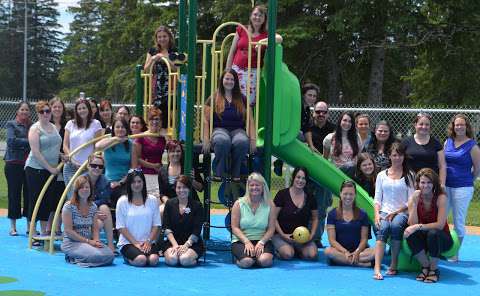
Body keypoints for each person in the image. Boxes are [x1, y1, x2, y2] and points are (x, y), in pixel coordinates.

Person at [202, 69, 255, 181]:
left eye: (232, 79)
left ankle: (236, 172)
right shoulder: (214, 97)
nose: (229, 81)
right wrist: (206, 139)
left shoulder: (242, 98)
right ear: (222, 80)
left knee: (242, 141)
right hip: (219, 129)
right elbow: (206, 120)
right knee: (222, 141)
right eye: (227, 78)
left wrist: (253, 139)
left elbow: (250, 120)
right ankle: (219, 171)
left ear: (235, 82)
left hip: (238, 130)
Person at [373, 142, 415, 280]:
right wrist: (377, 215)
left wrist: (397, 212)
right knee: (383, 227)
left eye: (400, 155)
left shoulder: (409, 175)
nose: (398, 158)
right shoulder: (381, 175)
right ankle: (377, 267)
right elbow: (377, 199)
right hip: (384, 211)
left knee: (396, 225)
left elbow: (411, 201)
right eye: (395, 155)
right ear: (389, 156)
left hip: (402, 212)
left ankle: (394, 263)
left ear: (404, 157)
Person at [226, 5, 282, 105]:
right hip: (236, 69)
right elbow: (232, 51)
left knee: (247, 102)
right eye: (255, 14)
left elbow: (279, 38)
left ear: (264, 19)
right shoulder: (242, 29)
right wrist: (227, 71)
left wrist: (262, 41)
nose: (257, 17)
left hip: (253, 72)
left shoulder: (266, 34)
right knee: (232, 98)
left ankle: (245, 120)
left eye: (261, 15)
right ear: (251, 16)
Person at [404, 168, 452, 283]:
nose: (425, 185)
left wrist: (418, 227)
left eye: (429, 182)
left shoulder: (441, 198)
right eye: (423, 182)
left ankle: (434, 270)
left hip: (442, 238)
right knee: (410, 234)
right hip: (424, 238)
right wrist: (414, 203)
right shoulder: (414, 198)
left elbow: (440, 225)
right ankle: (425, 267)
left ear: (434, 183)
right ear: (418, 184)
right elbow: (412, 223)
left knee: (433, 233)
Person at [444, 114, 480, 261]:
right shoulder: (448, 142)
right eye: (457, 125)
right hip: (446, 186)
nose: (459, 127)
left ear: (467, 127)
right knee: (442, 219)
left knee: (458, 221)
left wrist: (468, 179)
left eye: (462, 125)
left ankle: (455, 253)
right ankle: (442, 249)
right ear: (453, 127)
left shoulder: (472, 146)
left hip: (463, 188)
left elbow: (477, 168)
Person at [25, 101, 62, 236]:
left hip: (50, 170)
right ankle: (32, 231)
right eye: (42, 112)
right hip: (36, 168)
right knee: (35, 200)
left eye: (48, 111)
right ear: (38, 113)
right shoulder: (35, 129)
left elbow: (53, 147)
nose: (46, 114)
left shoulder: (53, 126)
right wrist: (50, 168)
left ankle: (43, 231)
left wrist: (61, 156)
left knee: (47, 200)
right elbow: (36, 152)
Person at [61, 176, 114, 267]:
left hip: (88, 241)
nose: (85, 189)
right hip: (72, 242)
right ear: (76, 190)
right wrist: (88, 241)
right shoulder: (68, 206)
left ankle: (81, 259)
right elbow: (69, 232)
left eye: (87, 187)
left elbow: (95, 228)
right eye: (82, 187)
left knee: (110, 255)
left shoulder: (93, 206)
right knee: (96, 255)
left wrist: (96, 240)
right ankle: (75, 258)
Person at [304, 101, 335, 247]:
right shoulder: (306, 127)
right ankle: (303, 236)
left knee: (322, 206)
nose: (321, 114)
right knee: (305, 205)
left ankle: (316, 238)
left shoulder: (333, 130)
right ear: (313, 112)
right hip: (307, 173)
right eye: (318, 112)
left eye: (324, 112)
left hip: (325, 174)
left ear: (328, 113)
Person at [116, 169, 162, 267]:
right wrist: (136, 244)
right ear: (129, 184)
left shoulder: (152, 200)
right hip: (128, 243)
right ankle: (127, 257)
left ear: (143, 182)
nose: (136, 184)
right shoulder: (122, 201)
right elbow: (121, 227)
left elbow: (156, 224)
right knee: (141, 260)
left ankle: (142, 254)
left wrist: (149, 241)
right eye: (133, 182)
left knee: (153, 260)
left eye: (139, 181)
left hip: (148, 242)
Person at [272, 167, 318, 260]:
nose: (300, 180)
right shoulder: (282, 194)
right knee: (288, 254)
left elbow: (315, 218)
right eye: (298, 177)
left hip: (301, 236)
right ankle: (279, 249)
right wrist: (283, 235)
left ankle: (297, 249)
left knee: (311, 255)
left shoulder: (310, 197)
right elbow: (273, 217)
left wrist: (312, 235)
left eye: (303, 178)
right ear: (293, 178)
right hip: (282, 235)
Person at [231, 173, 276, 268]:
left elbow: (271, 229)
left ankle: (256, 258)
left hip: (262, 240)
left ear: (263, 187)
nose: (254, 187)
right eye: (252, 185)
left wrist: (262, 242)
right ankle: (243, 259)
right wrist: (246, 242)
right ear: (248, 187)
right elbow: (234, 227)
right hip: (242, 241)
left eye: (257, 185)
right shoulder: (238, 204)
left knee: (265, 261)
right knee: (247, 262)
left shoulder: (270, 205)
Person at [325, 180, 374, 266]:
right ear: (340, 194)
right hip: (341, 251)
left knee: (377, 251)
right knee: (328, 251)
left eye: (351, 194)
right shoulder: (332, 214)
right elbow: (332, 240)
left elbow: (364, 239)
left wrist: (357, 252)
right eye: (345, 194)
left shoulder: (362, 214)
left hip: (360, 252)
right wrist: (345, 252)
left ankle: (344, 261)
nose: (348, 197)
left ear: (355, 195)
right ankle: (361, 264)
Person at [163, 175, 204, 266]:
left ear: (189, 189)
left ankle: (193, 259)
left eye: (185, 187)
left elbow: (197, 230)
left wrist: (186, 245)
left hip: (192, 243)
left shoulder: (197, 206)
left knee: (184, 260)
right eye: (179, 187)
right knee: (172, 260)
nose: (181, 190)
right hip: (173, 242)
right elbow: (166, 227)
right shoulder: (169, 204)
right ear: (175, 189)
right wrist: (175, 245)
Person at [63, 99, 103, 192]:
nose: (82, 110)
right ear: (76, 111)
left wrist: (89, 163)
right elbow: (65, 145)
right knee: (71, 196)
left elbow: (97, 146)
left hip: (87, 167)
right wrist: (71, 159)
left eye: (84, 108)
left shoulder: (96, 124)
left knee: (84, 195)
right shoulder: (70, 124)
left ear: (89, 109)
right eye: (79, 108)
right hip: (70, 166)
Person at [95, 119, 137, 208]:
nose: (120, 129)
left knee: (124, 200)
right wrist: (116, 138)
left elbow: (133, 168)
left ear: (127, 129)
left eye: (123, 127)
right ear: (113, 129)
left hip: (124, 182)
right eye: (117, 127)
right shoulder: (108, 141)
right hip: (107, 182)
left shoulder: (131, 145)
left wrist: (120, 182)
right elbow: (98, 146)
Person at [5, 101, 31, 235]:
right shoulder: (11, 124)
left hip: (29, 165)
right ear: (17, 111)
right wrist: (29, 142)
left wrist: (22, 142)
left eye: (27, 110)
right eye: (22, 109)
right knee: (14, 194)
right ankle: (13, 227)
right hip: (13, 164)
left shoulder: (32, 126)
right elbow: (10, 142)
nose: (24, 112)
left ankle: (29, 227)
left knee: (29, 195)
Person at [144, 25, 176, 129]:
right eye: (159, 37)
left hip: (170, 88)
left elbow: (177, 68)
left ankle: (169, 137)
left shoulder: (174, 50)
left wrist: (165, 58)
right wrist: (153, 59)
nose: (162, 39)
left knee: (169, 113)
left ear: (169, 37)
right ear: (156, 38)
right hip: (157, 88)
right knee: (156, 114)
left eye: (164, 36)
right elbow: (146, 69)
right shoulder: (153, 51)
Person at [401, 113, 446, 185]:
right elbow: (399, 162)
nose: (424, 127)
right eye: (421, 124)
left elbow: (442, 166)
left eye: (427, 124)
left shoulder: (436, 143)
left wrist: (442, 185)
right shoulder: (406, 142)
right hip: (410, 182)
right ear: (415, 125)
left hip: (430, 183)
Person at [85, 153, 115, 253]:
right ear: (88, 166)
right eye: (94, 165)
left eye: (100, 166)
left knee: (104, 209)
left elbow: (105, 199)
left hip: (95, 210)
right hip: (82, 213)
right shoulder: (81, 180)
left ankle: (110, 245)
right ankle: (92, 243)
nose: (97, 168)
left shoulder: (105, 180)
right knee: (99, 219)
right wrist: (93, 212)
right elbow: (78, 202)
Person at [158, 140, 203, 206]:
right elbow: (162, 194)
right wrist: (169, 204)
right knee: (161, 211)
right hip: (171, 203)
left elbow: (200, 188)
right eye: (172, 151)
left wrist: (192, 181)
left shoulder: (188, 168)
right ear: (168, 152)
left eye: (178, 151)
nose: (175, 154)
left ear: (182, 152)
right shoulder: (162, 171)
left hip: (189, 203)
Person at [134, 108, 166, 196]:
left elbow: (171, 151)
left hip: (160, 174)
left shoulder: (163, 137)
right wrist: (153, 166)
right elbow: (137, 159)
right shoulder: (141, 137)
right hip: (145, 173)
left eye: (157, 119)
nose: (154, 122)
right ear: (148, 121)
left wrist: (167, 136)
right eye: (152, 119)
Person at [323, 112, 361, 177]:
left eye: (350, 121)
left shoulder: (356, 138)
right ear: (340, 121)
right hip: (336, 174)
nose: (347, 123)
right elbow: (325, 159)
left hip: (352, 175)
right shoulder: (329, 138)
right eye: (345, 120)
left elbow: (358, 157)